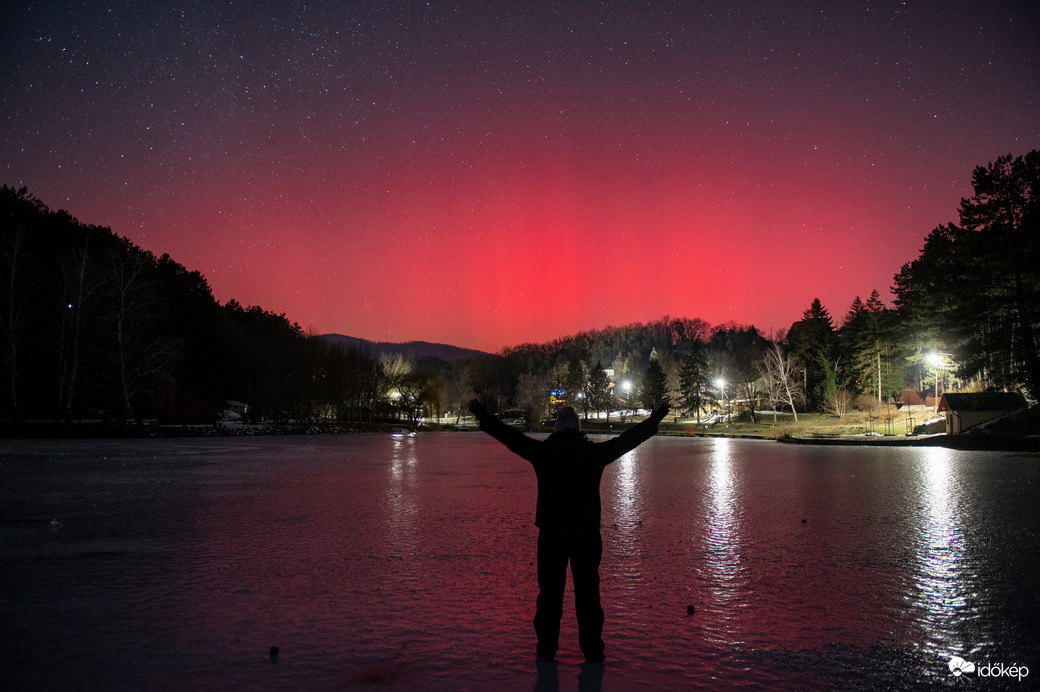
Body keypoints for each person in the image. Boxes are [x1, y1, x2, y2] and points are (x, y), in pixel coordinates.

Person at [467, 398, 670, 663]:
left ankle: (547, 647)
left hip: (552, 535)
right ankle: (592, 650)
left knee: (550, 595)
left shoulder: (544, 453)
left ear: (556, 428)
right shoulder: (593, 455)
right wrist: (653, 421)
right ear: (578, 428)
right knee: (588, 594)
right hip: (586, 535)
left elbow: (511, 438)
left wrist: (485, 416)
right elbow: (627, 440)